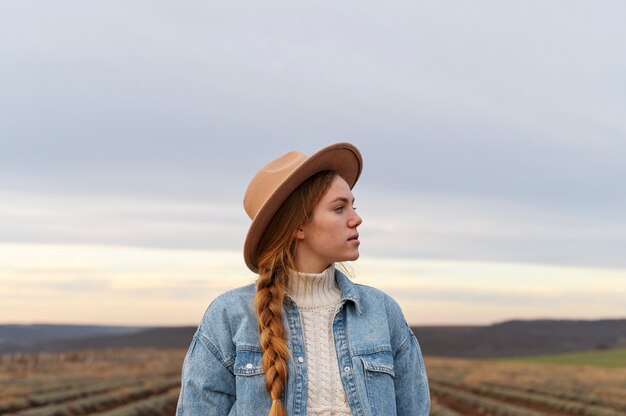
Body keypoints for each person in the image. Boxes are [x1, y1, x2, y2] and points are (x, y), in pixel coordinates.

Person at [176, 142, 430, 416]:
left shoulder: (383, 312)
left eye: (353, 206)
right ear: (297, 225)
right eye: (339, 208)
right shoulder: (229, 316)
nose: (356, 219)